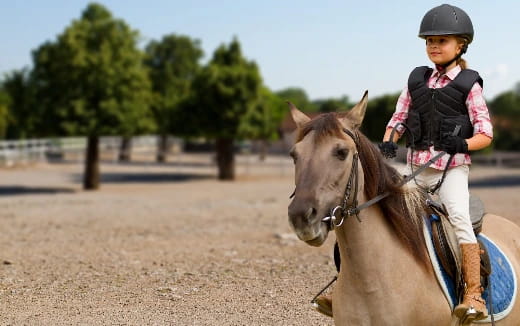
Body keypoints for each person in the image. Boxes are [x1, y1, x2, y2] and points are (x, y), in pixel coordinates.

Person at [379, 4, 493, 321]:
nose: (434, 46)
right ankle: (351, 278)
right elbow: (398, 118)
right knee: (378, 207)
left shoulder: (469, 84)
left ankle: (473, 294)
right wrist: (390, 140)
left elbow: (486, 132)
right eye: (429, 41)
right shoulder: (416, 80)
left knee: (458, 218)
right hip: (415, 168)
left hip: (451, 169)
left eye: (442, 41)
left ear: (460, 46)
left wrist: (463, 143)